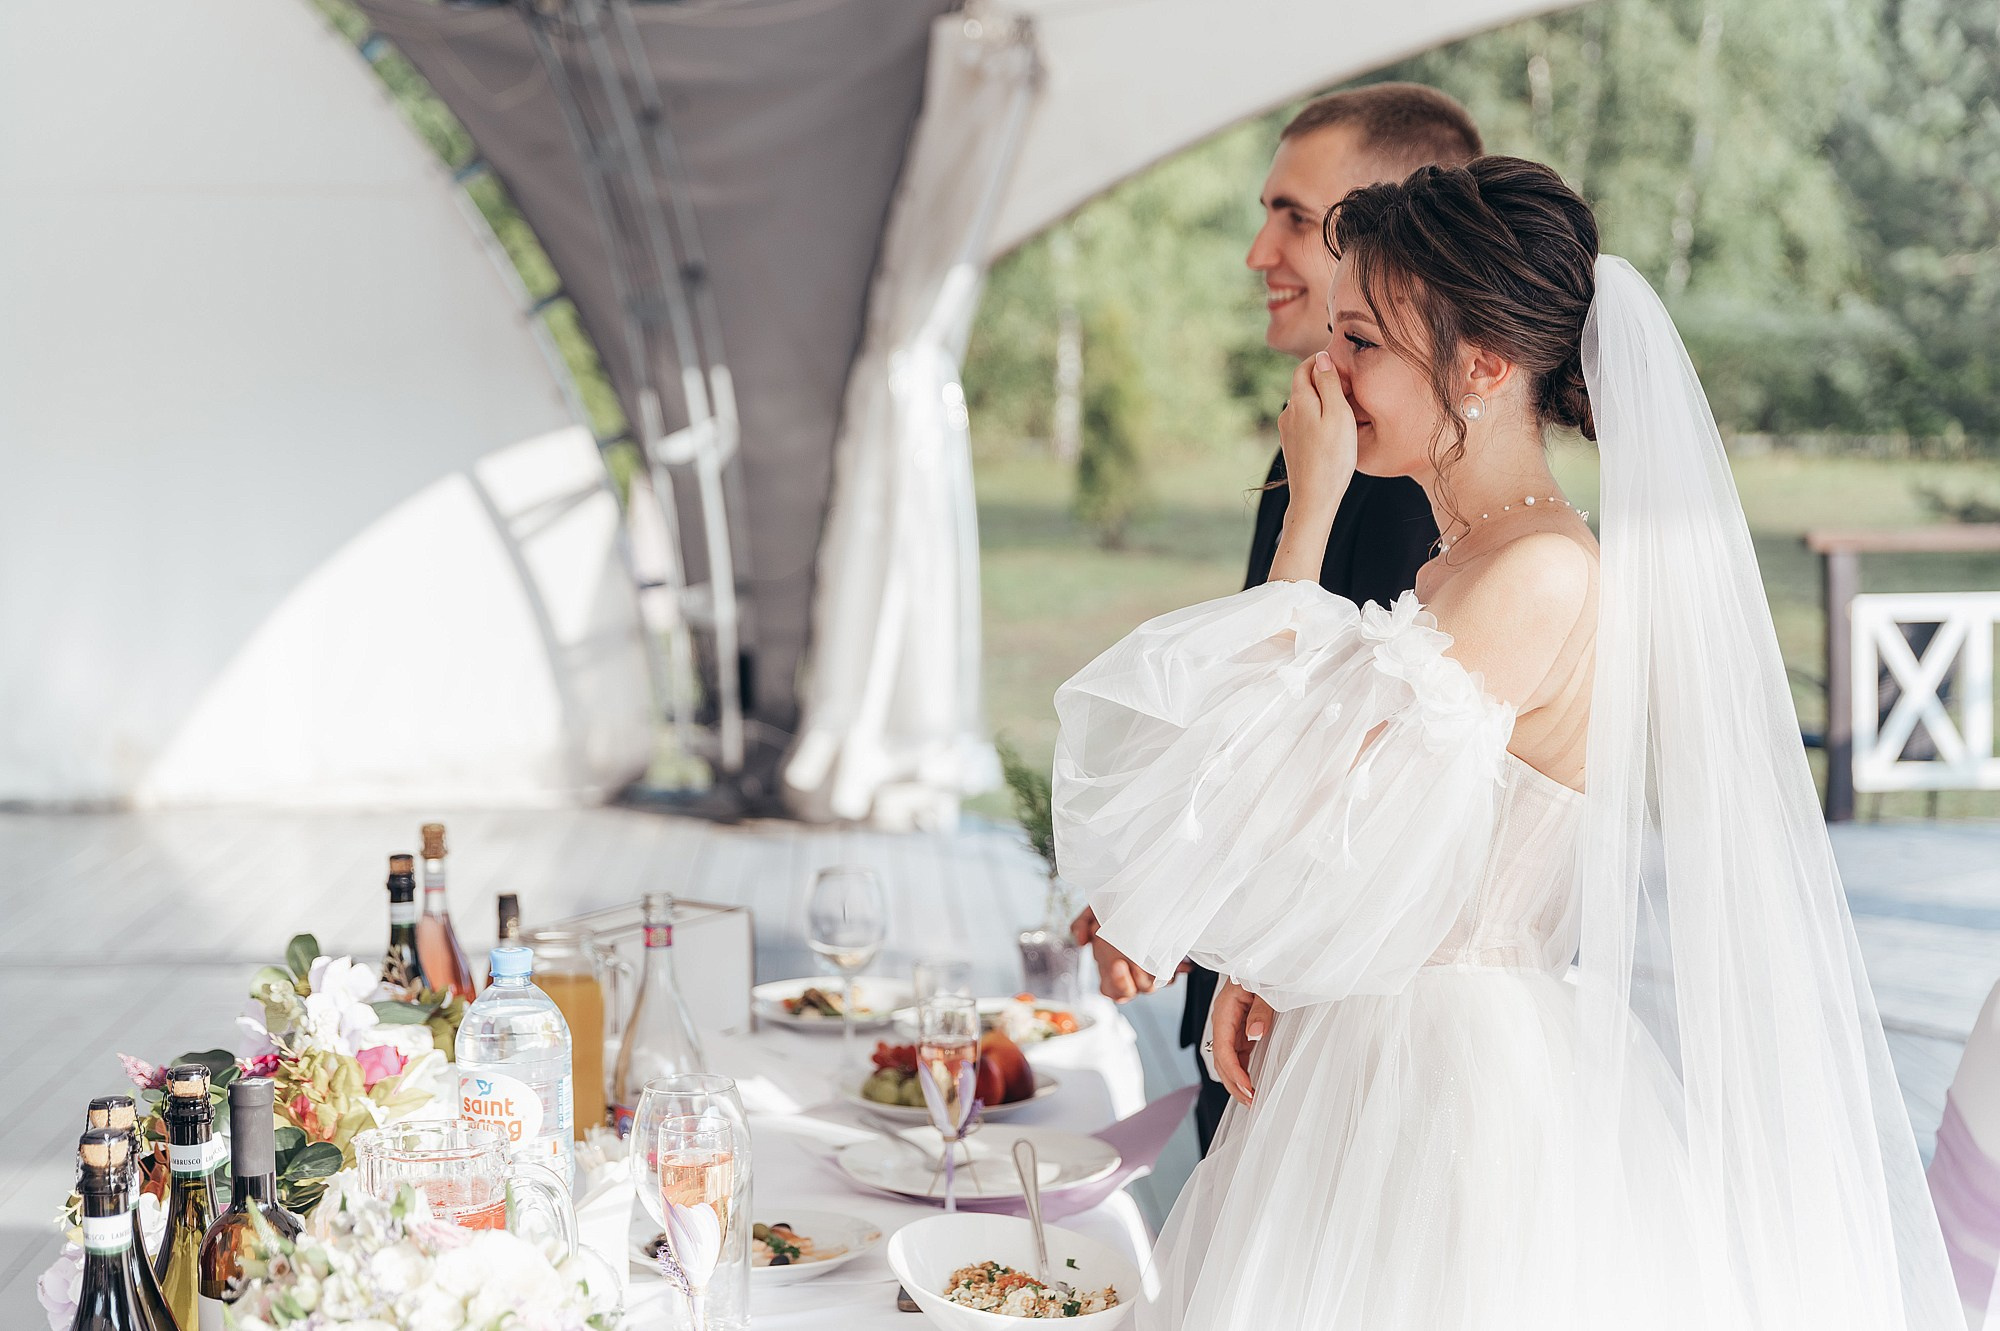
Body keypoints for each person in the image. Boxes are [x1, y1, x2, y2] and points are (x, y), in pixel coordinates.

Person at [1052, 158, 1957, 1328]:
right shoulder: (1464, 562)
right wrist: (1259, 963)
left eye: (1362, 342)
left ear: (1479, 364)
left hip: (1447, 1086)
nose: (1327, 375)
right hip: (1369, 1043)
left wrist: (1309, 507)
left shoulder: (1536, 572)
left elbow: (1292, 808)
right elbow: (1364, 835)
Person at [1069, 83, 1480, 1156]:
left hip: (1321, 1037)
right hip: (1254, 1005)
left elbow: (1336, 790)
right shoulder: (1326, 451)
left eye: (1293, 216)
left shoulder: (1402, 490)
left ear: (1390, 229)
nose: (1260, 251)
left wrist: (1166, 899)